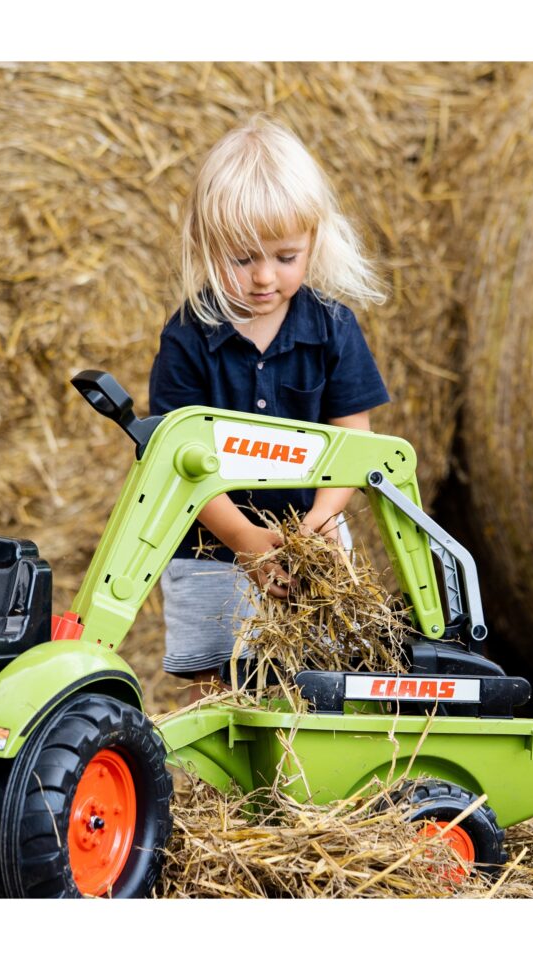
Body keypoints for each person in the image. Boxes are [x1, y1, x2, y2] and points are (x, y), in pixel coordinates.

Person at [149, 115, 390, 702]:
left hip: (311, 547)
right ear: (206, 246)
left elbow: (355, 442)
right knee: (216, 685)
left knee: (315, 682)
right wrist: (243, 541)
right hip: (210, 549)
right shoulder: (186, 338)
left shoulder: (333, 329)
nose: (263, 277)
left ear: (313, 241)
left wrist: (325, 518)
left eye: (286, 257)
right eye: (241, 259)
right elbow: (178, 465)